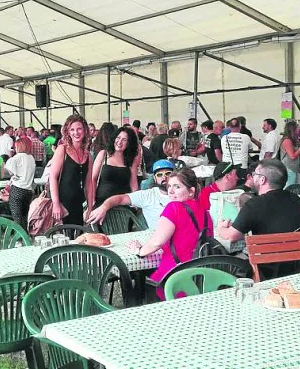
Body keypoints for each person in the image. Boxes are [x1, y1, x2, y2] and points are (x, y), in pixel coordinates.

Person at [124, 169, 212, 300]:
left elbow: (157, 242)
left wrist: (139, 250)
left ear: (191, 191)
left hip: (173, 277)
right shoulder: (205, 212)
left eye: (177, 187)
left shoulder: (174, 208)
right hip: (201, 277)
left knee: (138, 285)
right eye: (169, 186)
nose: (170, 191)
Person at [218, 159, 300, 279]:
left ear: (262, 180)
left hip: (270, 271)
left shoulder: (254, 204)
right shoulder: (295, 199)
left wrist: (221, 228)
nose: (253, 177)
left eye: (255, 174)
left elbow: (232, 236)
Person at [88, 159, 174, 229]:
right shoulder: (148, 195)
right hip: (158, 241)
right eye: (159, 175)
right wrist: (104, 207)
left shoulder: (183, 194)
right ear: (154, 179)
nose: (164, 177)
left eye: (168, 173)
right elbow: (120, 199)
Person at [50, 115, 93, 226]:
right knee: (64, 239)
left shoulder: (88, 155)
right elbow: (53, 177)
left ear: (84, 130)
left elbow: (89, 183)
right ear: (67, 132)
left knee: (78, 239)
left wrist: (90, 207)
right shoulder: (62, 149)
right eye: (72, 130)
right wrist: (56, 204)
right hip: (62, 204)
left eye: (79, 129)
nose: (76, 133)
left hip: (79, 205)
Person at [91, 127, 139, 208]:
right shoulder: (103, 154)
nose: (119, 142)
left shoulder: (131, 160)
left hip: (123, 207)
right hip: (101, 204)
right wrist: (92, 201)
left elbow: (133, 184)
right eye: (118, 138)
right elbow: (93, 179)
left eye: (124, 140)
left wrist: (136, 203)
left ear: (129, 143)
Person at [5, 139, 36, 230]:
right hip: (28, 190)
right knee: (24, 215)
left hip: (17, 189)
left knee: (17, 217)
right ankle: (26, 235)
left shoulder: (17, 157)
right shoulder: (31, 158)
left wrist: (14, 175)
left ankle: (19, 237)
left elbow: (8, 169)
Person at [280, 120, 300, 187]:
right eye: (298, 128)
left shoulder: (293, 140)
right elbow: (292, 156)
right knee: (290, 187)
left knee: (296, 188)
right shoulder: (287, 141)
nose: (299, 129)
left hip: (294, 168)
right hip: (289, 168)